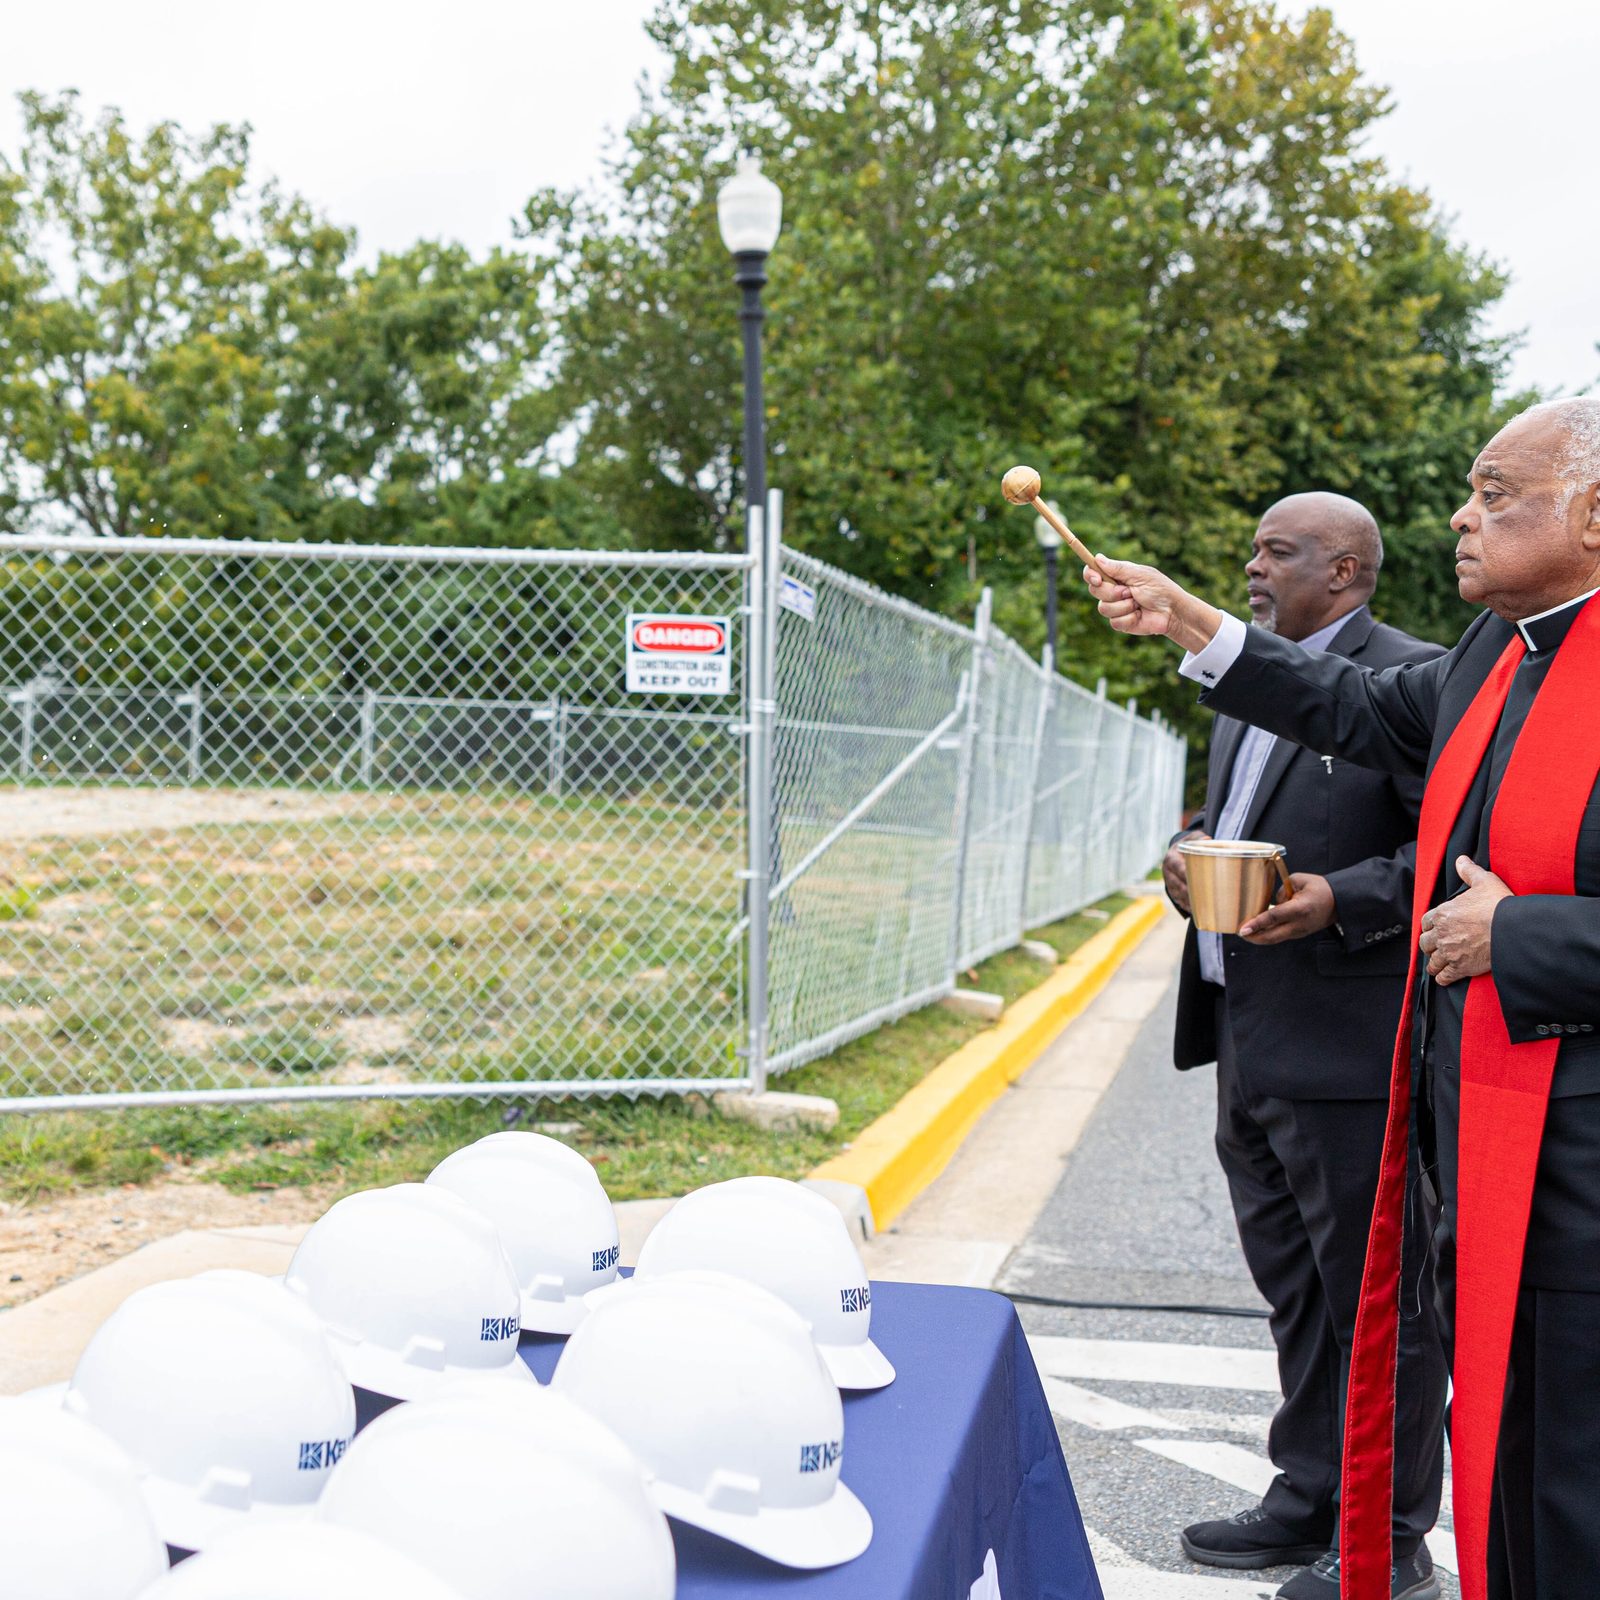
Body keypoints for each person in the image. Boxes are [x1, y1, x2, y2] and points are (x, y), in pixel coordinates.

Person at [1083, 397, 1600, 1600]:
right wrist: (1193, 623)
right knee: (1513, 1467)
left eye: (1493, 493)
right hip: (1480, 1144)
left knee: (1570, 1476)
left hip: (1576, 1172)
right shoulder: (1493, 651)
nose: (1461, 519)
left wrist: (1517, 932)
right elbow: (1356, 709)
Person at [1164, 493, 1446, 1600]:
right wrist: (1186, 851)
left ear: (1345, 572)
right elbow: (1222, 810)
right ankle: (1308, 1489)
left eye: (1277, 552)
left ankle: (1387, 1537)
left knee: (1377, 1300)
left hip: (1350, 1042)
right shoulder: (1246, 676)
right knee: (1295, 1289)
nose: (1252, 565)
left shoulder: (1410, 679)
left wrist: (1343, 897)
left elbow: (1449, 843)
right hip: (1247, 1033)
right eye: (1250, 548)